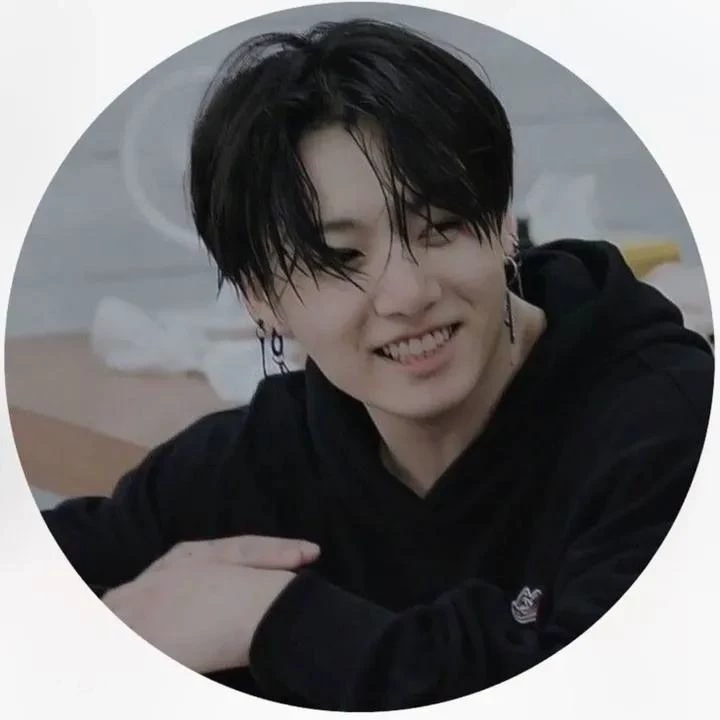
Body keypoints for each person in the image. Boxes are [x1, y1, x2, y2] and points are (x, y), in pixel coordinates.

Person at [41, 18, 713, 711]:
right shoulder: (254, 462)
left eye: (441, 227)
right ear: (261, 298)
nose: (408, 295)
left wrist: (272, 621)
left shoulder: (668, 423)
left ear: (503, 226)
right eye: (340, 258)